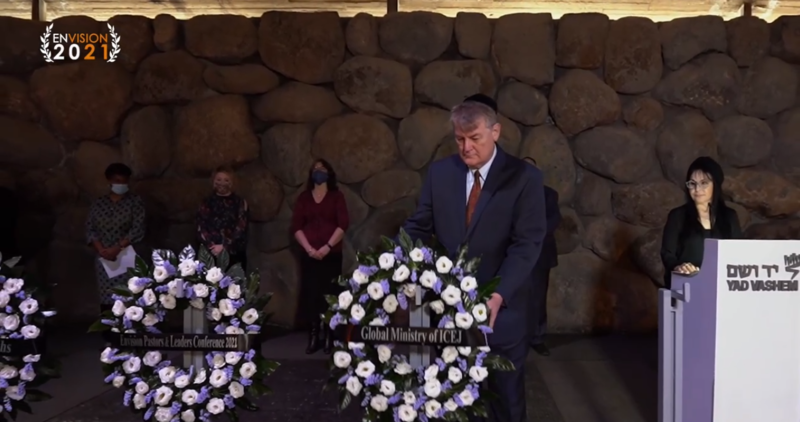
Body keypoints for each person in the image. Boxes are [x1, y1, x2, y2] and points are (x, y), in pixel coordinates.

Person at [402, 94, 547, 422]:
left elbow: (527, 244)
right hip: (449, 313)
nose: (466, 147)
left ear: (495, 132)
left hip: (502, 315)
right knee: (456, 402)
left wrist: (498, 295)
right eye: (459, 139)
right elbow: (419, 226)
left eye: (474, 138)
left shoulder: (524, 178)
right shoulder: (440, 174)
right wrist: (393, 264)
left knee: (505, 404)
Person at [291, 159, 350, 355]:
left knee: (330, 294)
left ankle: (329, 335)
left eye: (322, 169)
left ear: (329, 173)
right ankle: (314, 335)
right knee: (312, 295)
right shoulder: (304, 198)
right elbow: (297, 226)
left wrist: (327, 247)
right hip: (309, 255)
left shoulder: (336, 197)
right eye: (315, 169)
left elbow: (343, 224)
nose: (318, 172)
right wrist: (309, 249)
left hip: (331, 255)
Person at [661, 156, 743, 288]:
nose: (697, 189)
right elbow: (667, 253)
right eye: (692, 183)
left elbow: (738, 254)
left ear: (715, 185)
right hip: (686, 285)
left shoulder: (729, 216)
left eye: (704, 183)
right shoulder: (677, 216)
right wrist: (679, 267)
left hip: (722, 286)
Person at [86, 163, 146, 311]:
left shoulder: (135, 202)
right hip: (104, 257)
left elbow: (138, 228)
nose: (121, 184)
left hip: (126, 255)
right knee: (107, 297)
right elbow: (90, 228)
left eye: (124, 181)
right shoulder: (99, 204)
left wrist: (118, 248)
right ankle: (108, 330)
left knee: (127, 296)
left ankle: (127, 330)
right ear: (109, 181)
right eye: (117, 181)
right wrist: (101, 250)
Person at [522, 157, 561, 357]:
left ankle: (537, 338)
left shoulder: (548, 194)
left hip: (540, 255)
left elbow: (554, 219)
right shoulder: (509, 194)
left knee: (538, 298)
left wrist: (533, 234)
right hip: (515, 255)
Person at [197, 166, 249, 270]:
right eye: (219, 179)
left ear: (232, 182)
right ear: (213, 181)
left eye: (226, 180)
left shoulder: (239, 203)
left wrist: (224, 246)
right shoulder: (206, 202)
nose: (222, 183)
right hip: (210, 253)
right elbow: (201, 226)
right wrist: (211, 246)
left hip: (234, 253)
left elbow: (241, 227)